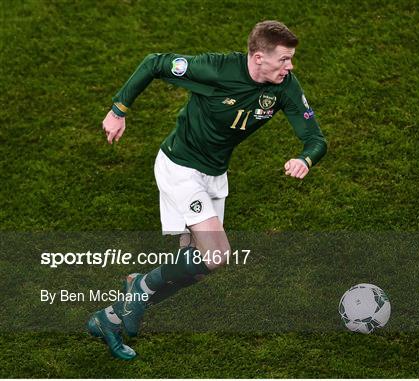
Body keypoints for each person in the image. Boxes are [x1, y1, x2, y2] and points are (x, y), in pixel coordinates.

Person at [87, 20, 327, 360]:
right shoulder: (216, 69)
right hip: (180, 167)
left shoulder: (284, 86)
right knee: (217, 254)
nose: (290, 67)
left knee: (197, 267)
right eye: (284, 59)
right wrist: (117, 110)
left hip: (215, 175)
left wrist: (306, 158)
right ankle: (140, 285)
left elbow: (315, 138)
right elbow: (155, 62)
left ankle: (108, 319)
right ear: (258, 58)